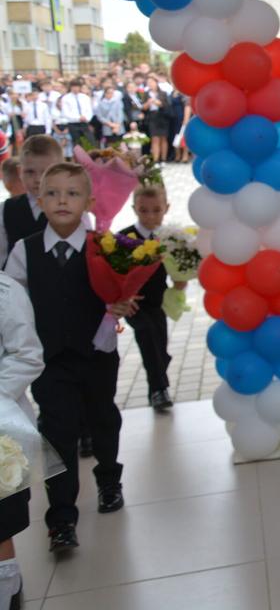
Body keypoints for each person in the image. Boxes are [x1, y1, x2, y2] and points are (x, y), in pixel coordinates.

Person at [4, 163, 136, 553]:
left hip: (96, 354)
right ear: (39, 200)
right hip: (49, 361)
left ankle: (109, 478)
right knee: (57, 433)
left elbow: (121, 291)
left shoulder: (104, 245)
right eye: (54, 193)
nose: (63, 200)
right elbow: (10, 303)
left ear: (89, 201)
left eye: (73, 193)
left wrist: (124, 303)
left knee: (102, 418)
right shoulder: (23, 251)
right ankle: (61, 518)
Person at [0, 259, 44, 608]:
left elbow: (27, 356)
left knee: (0, 522)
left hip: (1, 428)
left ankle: (8, 589)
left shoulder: (6, 291)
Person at [118, 184, 175, 411]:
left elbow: (176, 268)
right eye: (144, 210)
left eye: (156, 210)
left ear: (166, 208)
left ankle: (161, 367)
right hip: (132, 304)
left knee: (159, 345)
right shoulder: (123, 238)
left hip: (156, 303)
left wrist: (180, 280)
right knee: (146, 334)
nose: (150, 216)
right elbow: (114, 273)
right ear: (134, 209)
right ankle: (158, 390)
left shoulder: (169, 238)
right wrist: (123, 296)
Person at [0, 136, 61, 266]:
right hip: (15, 282)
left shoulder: (74, 209)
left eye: (46, 172)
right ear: (19, 172)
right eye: (30, 172)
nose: (38, 179)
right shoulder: (5, 210)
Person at [142, 77, 170, 163]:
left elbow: (166, 105)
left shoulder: (163, 93)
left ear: (156, 83)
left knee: (163, 139)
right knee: (155, 139)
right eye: (148, 83)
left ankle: (163, 159)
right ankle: (156, 160)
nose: (150, 84)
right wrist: (148, 103)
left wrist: (158, 103)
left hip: (162, 117)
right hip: (152, 117)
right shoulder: (146, 94)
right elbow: (143, 108)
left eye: (152, 82)